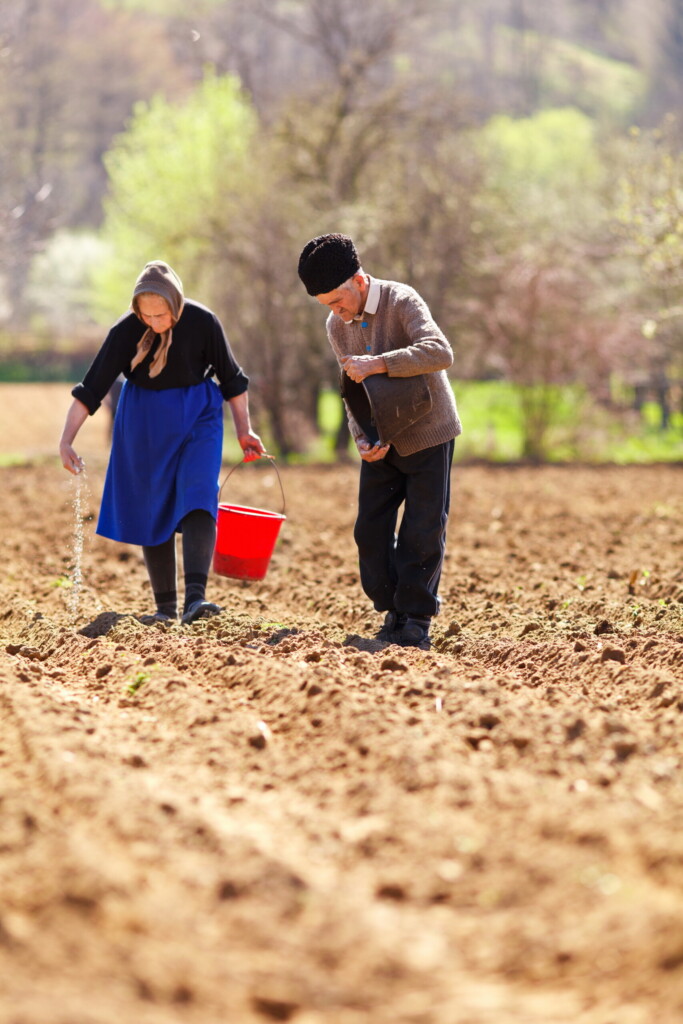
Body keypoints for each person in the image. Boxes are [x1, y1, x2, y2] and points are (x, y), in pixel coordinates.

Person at [59, 260, 265, 625]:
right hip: (144, 420)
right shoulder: (125, 332)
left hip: (198, 413)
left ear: (176, 302)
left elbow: (232, 380)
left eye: (162, 314)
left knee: (200, 489)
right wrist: (66, 440)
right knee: (153, 505)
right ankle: (165, 608)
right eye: (147, 315)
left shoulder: (203, 322)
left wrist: (244, 430)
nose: (155, 322)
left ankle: (196, 600)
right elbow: (91, 389)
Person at [298, 233, 461, 648]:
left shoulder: (402, 300)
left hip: (428, 431)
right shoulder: (337, 325)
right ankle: (393, 607)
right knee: (369, 533)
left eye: (338, 300)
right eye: (327, 306)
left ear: (358, 280)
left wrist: (380, 364)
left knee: (422, 530)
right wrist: (361, 438)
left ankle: (416, 618)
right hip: (380, 440)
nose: (336, 312)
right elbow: (351, 388)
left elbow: (440, 352)